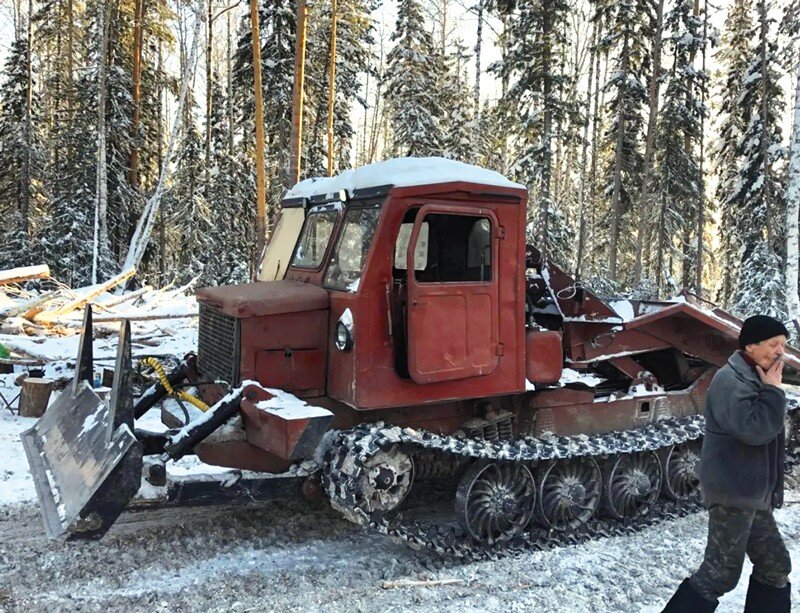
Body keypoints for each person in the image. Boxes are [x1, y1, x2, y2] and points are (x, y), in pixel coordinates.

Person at [662, 315, 792, 612]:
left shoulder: (755, 373)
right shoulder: (731, 381)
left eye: (783, 345)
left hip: (751, 493)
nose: (779, 352)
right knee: (719, 575)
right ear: (750, 346)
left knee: (775, 566)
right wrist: (773, 391)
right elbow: (754, 431)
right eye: (774, 344)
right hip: (734, 492)